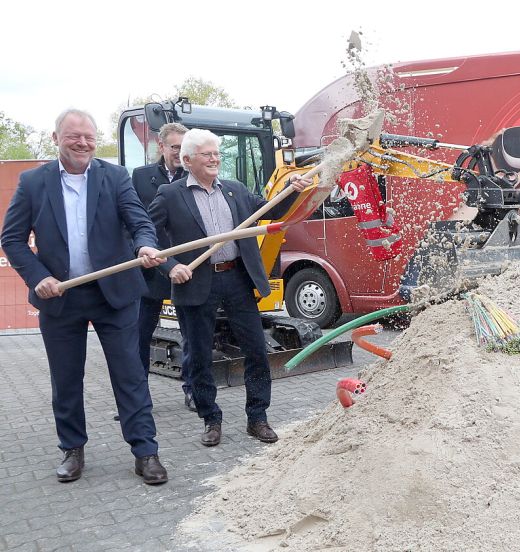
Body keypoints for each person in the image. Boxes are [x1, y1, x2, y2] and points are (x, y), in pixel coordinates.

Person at [0, 109, 169, 485]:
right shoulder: (33, 182)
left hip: (115, 294)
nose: (82, 143)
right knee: (66, 377)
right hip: (61, 297)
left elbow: (138, 221)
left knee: (129, 375)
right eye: (74, 136)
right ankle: (72, 449)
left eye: (89, 136)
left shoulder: (114, 176)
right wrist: (38, 276)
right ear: (56, 137)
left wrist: (144, 246)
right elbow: (11, 238)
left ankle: (146, 452)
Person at [149, 128, 308, 447]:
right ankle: (210, 418)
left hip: (237, 278)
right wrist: (170, 266)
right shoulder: (170, 194)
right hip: (196, 281)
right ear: (188, 159)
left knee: (256, 350)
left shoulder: (234, 190)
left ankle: (257, 417)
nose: (214, 159)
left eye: (217, 154)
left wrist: (292, 190)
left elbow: (270, 210)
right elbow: (148, 237)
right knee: (198, 356)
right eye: (207, 154)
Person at [132, 122, 194, 410]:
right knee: (140, 336)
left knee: (192, 334)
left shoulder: (194, 174)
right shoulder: (141, 177)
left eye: (184, 149)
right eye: (174, 148)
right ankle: (137, 398)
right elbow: (136, 222)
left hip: (186, 268)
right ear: (161, 146)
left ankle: (193, 391)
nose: (179, 154)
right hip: (150, 270)